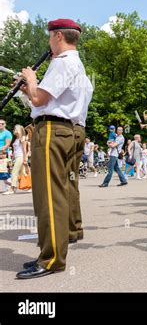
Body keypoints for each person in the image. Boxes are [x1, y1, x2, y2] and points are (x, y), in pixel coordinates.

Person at [16, 18, 93, 279]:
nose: (49, 42)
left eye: (50, 37)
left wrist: (30, 79)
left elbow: (40, 99)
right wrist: (30, 89)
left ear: (58, 36)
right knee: (57, 193)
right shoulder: (75, 64)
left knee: (48, 196)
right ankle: (49, 253)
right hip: (63, 129)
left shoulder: (63, 62)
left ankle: (51, 259)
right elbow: (43, 99)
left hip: (52, 131)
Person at [3, 125, 29, 194]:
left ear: (21, 130)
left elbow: (24, 149)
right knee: (23, 173)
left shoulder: (23, 138)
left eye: (16, 129)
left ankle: (12, 189)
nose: (15, 131)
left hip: (20, 156)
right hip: (16, 157)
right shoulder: (16, 139)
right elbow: (15, 151)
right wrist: (12, 159)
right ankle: (29, 186)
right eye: (14, 129)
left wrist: (25, 158)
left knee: (14, 172)